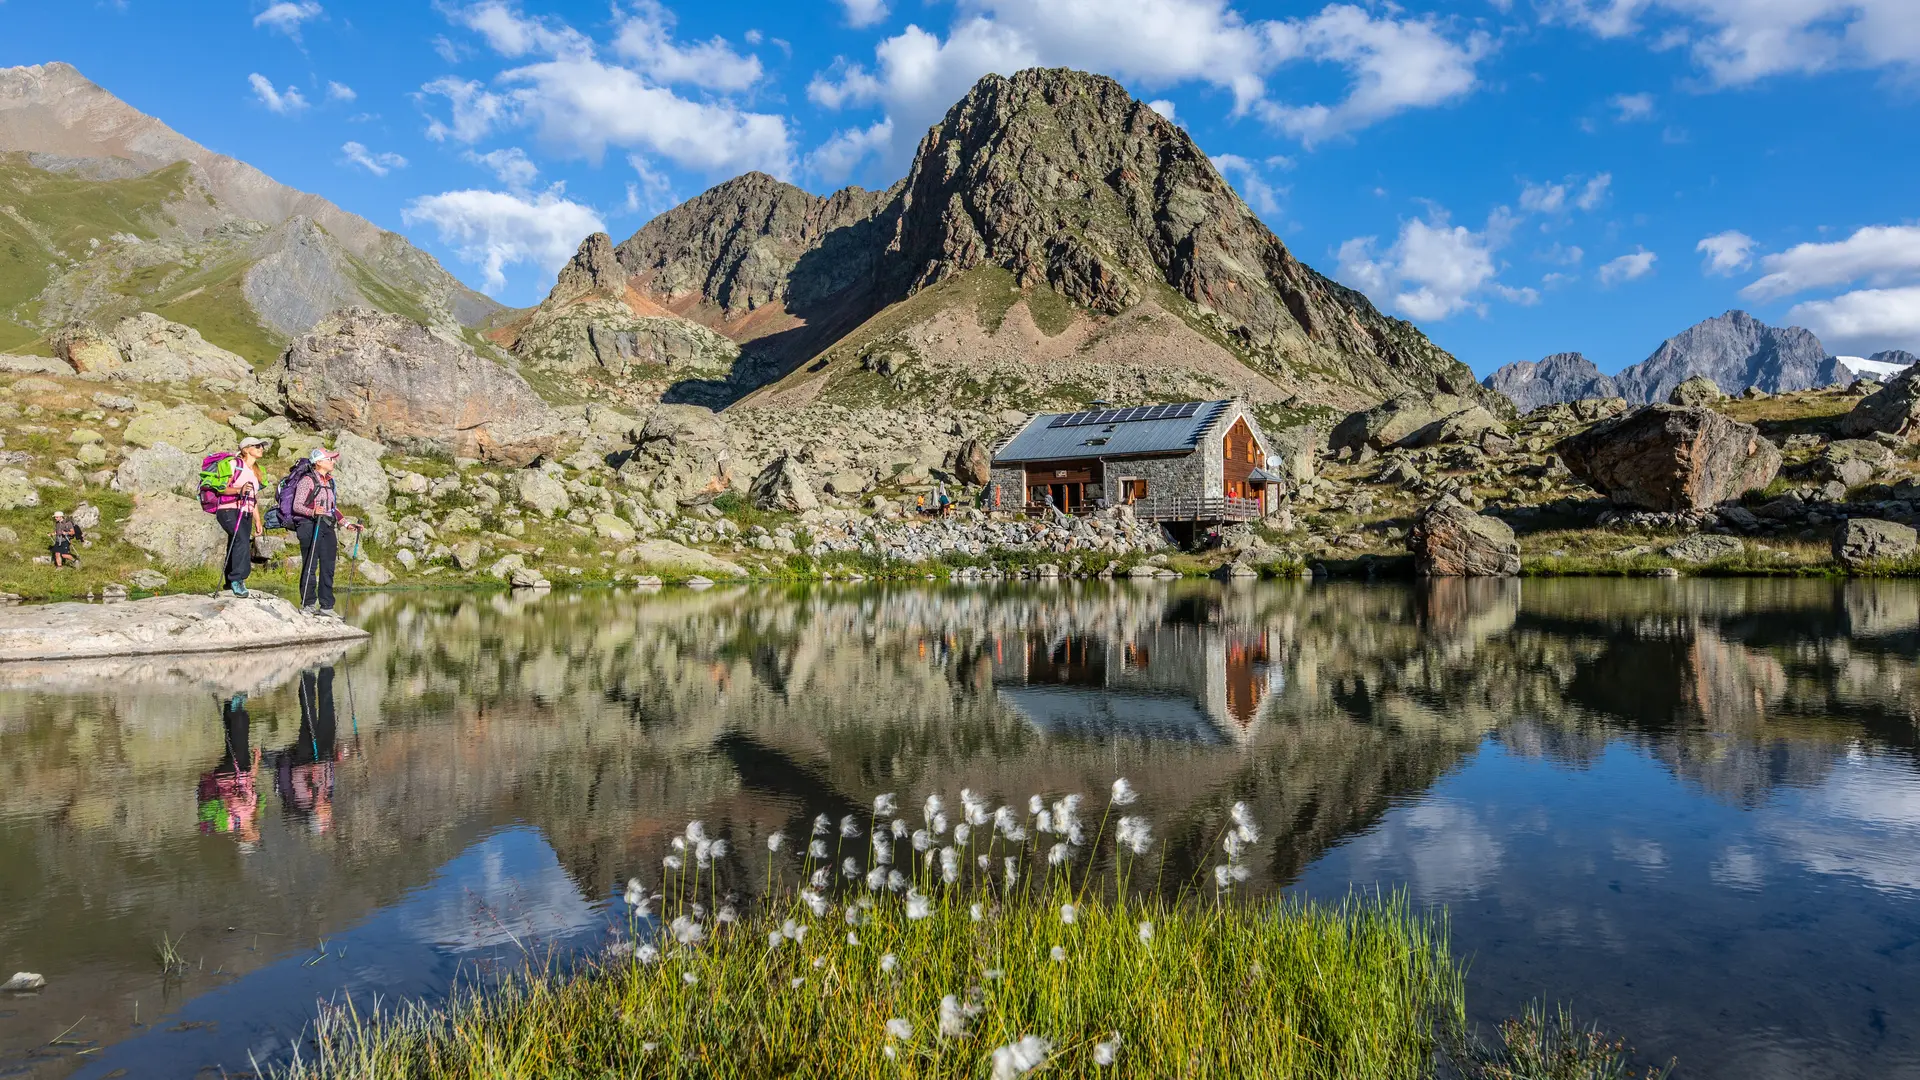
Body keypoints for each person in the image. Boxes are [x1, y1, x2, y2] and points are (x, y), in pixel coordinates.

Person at [291, 448, 361, 618]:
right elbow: (297, 505)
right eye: (330, 459)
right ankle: (308, 604)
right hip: (309, 525)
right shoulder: (307, 480)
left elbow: (332, 508)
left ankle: (327, 606)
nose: (333, 462)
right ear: (319, 462)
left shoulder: (330, 482)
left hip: (327, 526)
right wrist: (313, 512)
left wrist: (346, 524)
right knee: (310, 565)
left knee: (328, 567)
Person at [197, 691, 262, 851]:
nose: (258, 836)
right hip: (242, 771)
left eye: (254, 838)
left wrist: (240, 797)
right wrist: (256, 761)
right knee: (238, 737)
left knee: (239, 737)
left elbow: (230, 798)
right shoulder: (251, 814)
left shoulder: (235, 819)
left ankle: (235, 705)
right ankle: (230, 704)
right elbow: (252, 783)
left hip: (229, 775)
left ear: (247, 835)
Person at [277, 666, 339, 835]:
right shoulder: (328, 794)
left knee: (308, 713)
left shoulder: (304, 799)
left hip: (306, 754)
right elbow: (330, 773)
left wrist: (311, 768)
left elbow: (297, 773)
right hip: (325, 752)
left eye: (325, 817)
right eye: (328, 817)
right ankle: (326, 673)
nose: (329, 814)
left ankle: (308, 677)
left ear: (316, 813)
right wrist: (335, 759)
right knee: (328, 711)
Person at [211, 437, 271, 597]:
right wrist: (239, 490)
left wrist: (258, 520)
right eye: (257, 446)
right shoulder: (234, 465)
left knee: (237, 541)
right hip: (228, 510)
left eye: (262, 446)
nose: (261, 448)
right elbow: (221, 489)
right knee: (241, 540)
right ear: (246, 449)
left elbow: (253, 497)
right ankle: (238, 579)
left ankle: (230, 582)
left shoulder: (257, 471)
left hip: (246, 512)